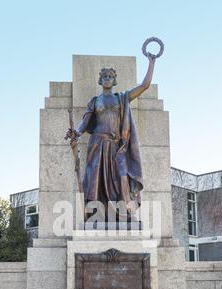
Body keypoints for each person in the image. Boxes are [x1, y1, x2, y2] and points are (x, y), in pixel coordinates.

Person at [66, 55, 156, 222]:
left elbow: (145, 85)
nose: (107, 79)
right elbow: (84, 124)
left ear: (114, 81)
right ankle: (96, 214)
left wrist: (151, 63)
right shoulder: (95, 101)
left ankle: (125, 213)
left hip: (117, 146)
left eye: (110, 76)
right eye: (104, 76)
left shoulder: (122, 98)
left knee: (122, 176)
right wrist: (76, 133)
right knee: (96, 180)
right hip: (97, 145)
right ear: (100, 81)